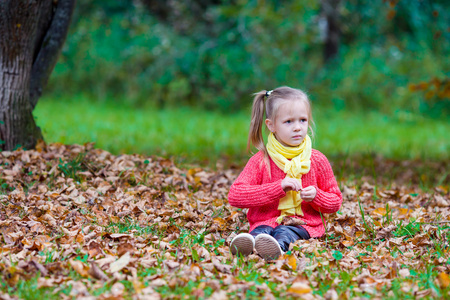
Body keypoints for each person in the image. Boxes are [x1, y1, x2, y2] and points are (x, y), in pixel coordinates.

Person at [228, 86, 342, 260]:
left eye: (302, 120)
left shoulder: (317, 160)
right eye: (289, 122)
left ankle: (277, 249)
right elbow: (235, 196)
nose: (297, 127)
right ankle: (248, 244)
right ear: (271, 125)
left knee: (284, 232)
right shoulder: (261, 161)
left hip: (303, 224)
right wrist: (277, 188)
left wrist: (316, 196)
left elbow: (335, 201)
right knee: (262, 230)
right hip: (265, 221)